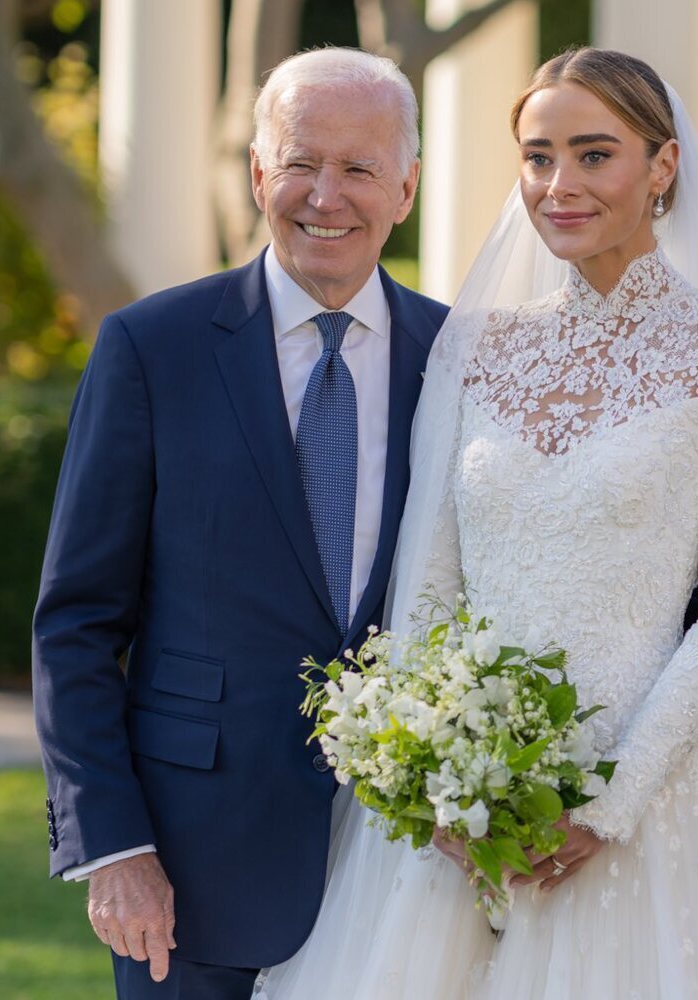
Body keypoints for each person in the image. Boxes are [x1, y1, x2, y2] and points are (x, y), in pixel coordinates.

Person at [256, 48, 698, 999]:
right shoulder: (476, 349)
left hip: (654, 800)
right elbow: (430, 585)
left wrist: (611, 801)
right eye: (537, 156)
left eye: (594, 155)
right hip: (461, 809)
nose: (559, 186)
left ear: (663, 166)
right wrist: (435, 772)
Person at [32, 48, 444, 998]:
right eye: (300, 162)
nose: (325, 195)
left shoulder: (458, 359)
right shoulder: (151, 348)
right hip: (189, 868)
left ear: (407, 187)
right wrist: (113, 847)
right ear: (259, 173)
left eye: (360, 168)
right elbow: (77, 624)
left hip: (412, 869)